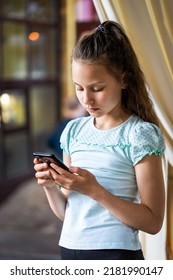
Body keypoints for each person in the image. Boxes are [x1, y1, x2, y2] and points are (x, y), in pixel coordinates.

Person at [33, 21, 166, 260]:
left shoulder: (140, 135)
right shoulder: (73, 131)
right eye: (79, 88)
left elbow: (153, 222)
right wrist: (51, 187)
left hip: (116, 254)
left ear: (124, 80)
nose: (87, 99)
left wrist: (95, 190)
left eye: (97, 88)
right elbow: (70, 214)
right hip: (70, 250)